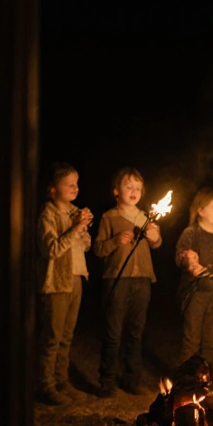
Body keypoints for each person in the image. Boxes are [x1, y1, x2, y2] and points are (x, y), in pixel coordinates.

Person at [93, 168, 162, 397]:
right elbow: (98, 249)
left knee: (136, 332)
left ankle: (132, 380)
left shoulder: (146, 218)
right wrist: (115, 241)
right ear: (116, 191)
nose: (134, 191)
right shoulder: (109, 217)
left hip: (142, 280)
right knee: (113, 333)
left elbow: (156, 243)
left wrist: (155, 237)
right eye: (128, 187)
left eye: (138, 188)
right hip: (117, 279)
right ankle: (107, 381)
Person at [35, 163, 94, 405]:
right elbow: (52, 249)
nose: (75, 188)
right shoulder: (47, 216)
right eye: (69, 184)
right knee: (52, 336)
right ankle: (46, 385)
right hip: (56, 283)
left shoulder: (74, 213)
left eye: (76, 183)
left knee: (67, 336)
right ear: (52, 189)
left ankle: (62, 381)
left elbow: (86, 245)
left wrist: (83, 227)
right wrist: (76, 228)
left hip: (76, 277)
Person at [175, 188, 213, 372]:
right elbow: (180, 255)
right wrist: (188, 260)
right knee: (192, 339)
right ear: (201, 211)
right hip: (195, 293)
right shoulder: (191, 233)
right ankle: (187, 380)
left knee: (212, 340)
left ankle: (207, 379)